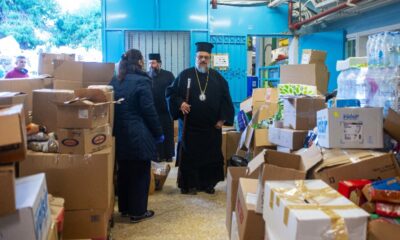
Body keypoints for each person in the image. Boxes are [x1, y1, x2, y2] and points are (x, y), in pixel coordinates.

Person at [166, 42, 234, 195]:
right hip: (190, 127)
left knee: (211, 157)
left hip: (211, 128)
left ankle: (207, 184)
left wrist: (222, 119)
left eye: (206, 57)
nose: (203, 60)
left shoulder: (218, 78)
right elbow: (171, 93)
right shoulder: (185, 75)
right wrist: (180, 103)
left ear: (210, 59)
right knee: (190, 157)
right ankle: (188, 185)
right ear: (195, 58)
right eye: (200, 57)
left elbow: (226, 100)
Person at [110, 49, 164, 223]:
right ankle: (138, 211)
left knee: (124, 171)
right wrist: (158, 132)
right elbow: (148, 110)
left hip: (119, 133)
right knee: (140, 172)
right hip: (138, 132)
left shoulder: (115, 80)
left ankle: (125, 208)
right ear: (140, 62)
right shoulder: (142, 81)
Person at [147, 53, 175, 162]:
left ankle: (168, 155)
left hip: (166, 111)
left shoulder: (168, 75)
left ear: (159, 63)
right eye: (149, 63)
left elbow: (174, 91)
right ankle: (157, 155)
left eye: (153, 63)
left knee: (167, 133)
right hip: (152, 111)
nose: (151, 65)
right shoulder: (146, 76)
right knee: (155, 133)